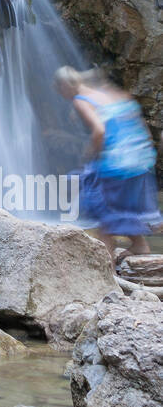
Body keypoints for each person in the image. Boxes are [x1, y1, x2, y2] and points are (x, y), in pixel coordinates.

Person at [55, 66, 161, 263]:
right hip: (140, 161)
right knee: (120, 210)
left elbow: (100, 131)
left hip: (117, 165)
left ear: (64, 86)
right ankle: (139, 245)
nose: (60, 94)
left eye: (58, 89)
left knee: (104, 219)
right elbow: (139, 123)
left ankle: (108, 271)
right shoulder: (108, 93)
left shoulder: (80, 100)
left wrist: (89, 154)